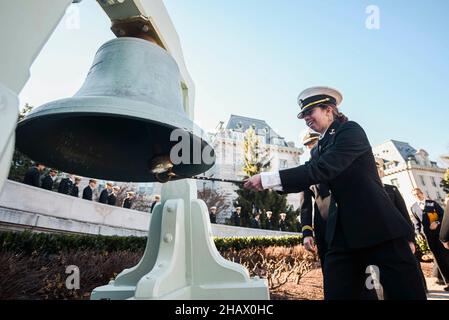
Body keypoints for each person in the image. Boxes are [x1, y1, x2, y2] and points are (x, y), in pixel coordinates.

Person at [244, 86, 426, 300]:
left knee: (405, 294)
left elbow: (321, 169)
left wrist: (267, 179)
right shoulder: (318, 148)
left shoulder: (350, 131)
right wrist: (268, 184)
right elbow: (309, 179)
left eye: (310, 113)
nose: (306, 119)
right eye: (303, 116)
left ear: (329, 110)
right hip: (340, 237)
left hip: (379, 229)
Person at [299, 131, 332, 269]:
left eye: (314, 142)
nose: (312, 147)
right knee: (329, 269)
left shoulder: (336, 159)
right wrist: (307, 233)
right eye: (308, 145)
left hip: (349, 222)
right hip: (324, 226)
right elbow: (305, 205)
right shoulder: (307, 170)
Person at [411, 188, 449, 291]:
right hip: (429, 237)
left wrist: (437, 223)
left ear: (422, 193)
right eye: (415, 195)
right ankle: (447, 281)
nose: (417, 196)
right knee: (438, 258)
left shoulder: (432, 203)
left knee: (445, 256)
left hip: (440, 234)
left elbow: (443, 215)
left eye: (418, 193)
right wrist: (418, 233)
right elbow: (416, 223)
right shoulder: (414, 208)